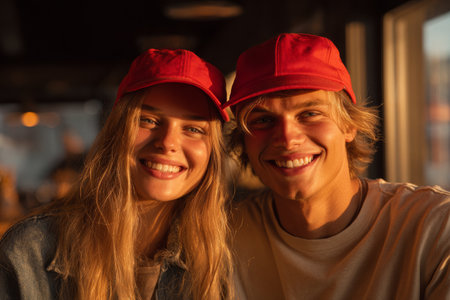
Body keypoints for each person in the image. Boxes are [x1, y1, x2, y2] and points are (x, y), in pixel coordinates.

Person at [224, 33, 450, 299]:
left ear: (348, 125)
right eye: (263, 120)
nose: (287, 138)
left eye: (309, 114)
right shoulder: (220, 237)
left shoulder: (435, 228)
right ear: (243, 140)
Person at [0, 48, 232, 299]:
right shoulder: (31, 250)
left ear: (213, 152)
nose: (168, 142)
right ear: (116, 131)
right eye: (149, 120)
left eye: (193, 129)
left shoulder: (226, 255)